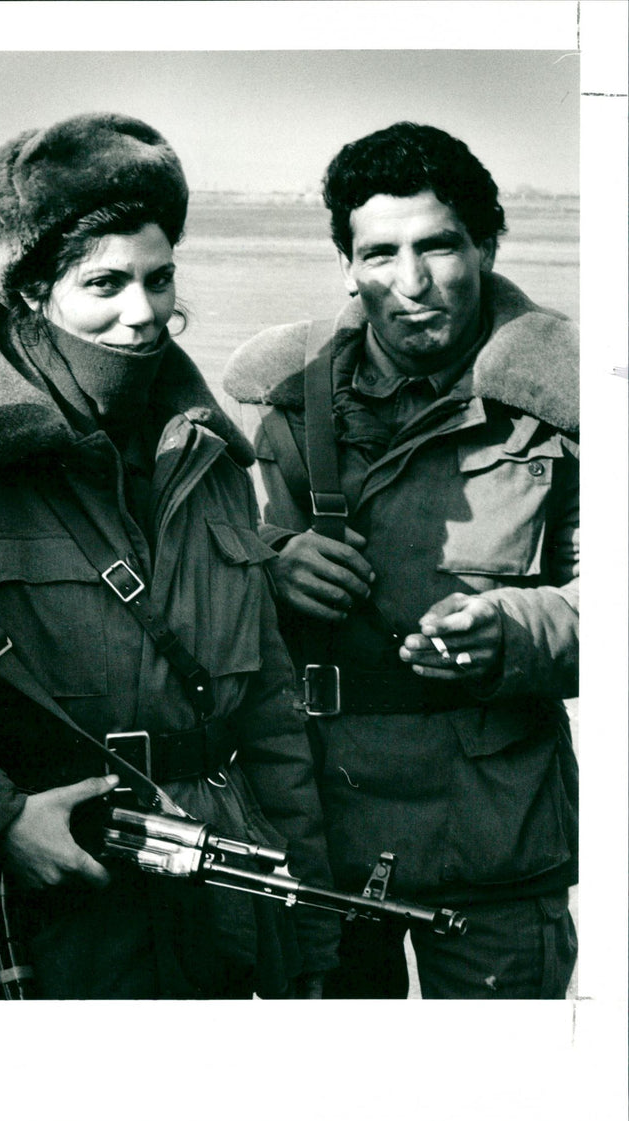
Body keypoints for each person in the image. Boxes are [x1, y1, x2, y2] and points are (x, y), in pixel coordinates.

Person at [0, 112, 339, 1000]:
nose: (143, 315)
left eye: (158, 278)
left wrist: (310, 922)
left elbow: (262, 707)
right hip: (53, 915)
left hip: (216, 898)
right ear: (32, 292)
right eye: (103, 283)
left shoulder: (208, 460)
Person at [222, 122, 579, 999]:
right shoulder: (289, 398)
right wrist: (275, 562)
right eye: (379, 252)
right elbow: (207, 558)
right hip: (320, 832)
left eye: (440, 247)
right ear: (346, 263)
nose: (411, 284)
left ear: (488, 246)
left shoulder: (569, 406)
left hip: (497, 835)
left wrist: (515, 628)